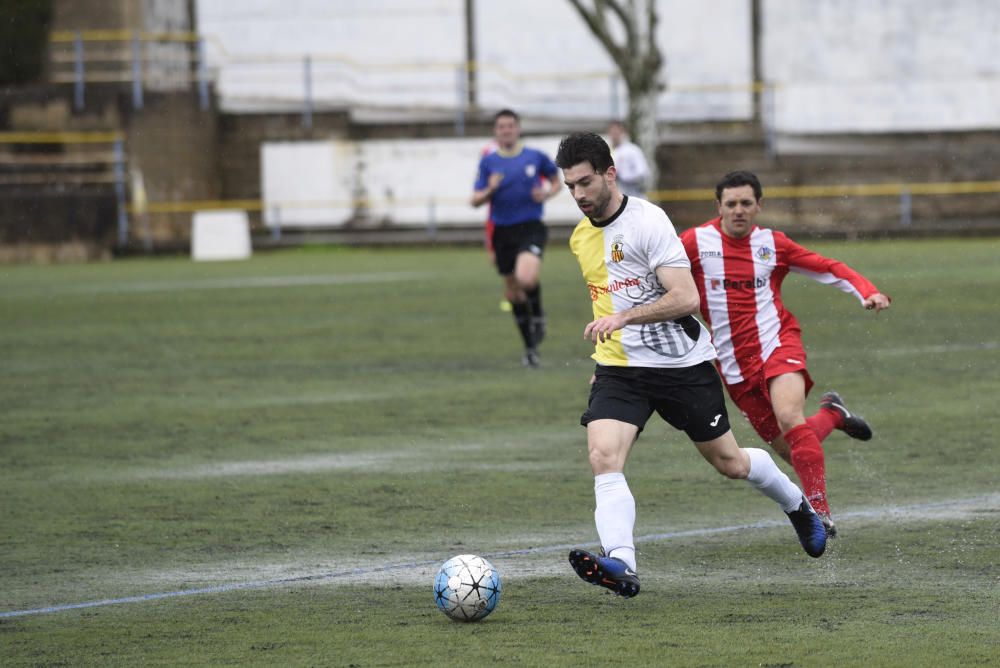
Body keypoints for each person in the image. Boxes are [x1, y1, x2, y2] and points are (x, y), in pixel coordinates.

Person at [556, 133, 827, 599]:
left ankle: (798, 506)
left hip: (682, 366)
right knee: (603, 456)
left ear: (609, 174)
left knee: (731, 462)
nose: (579, 195)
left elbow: (686, 297)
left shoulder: (648, 223)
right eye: (570, 187)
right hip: (622, 369)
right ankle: (621, 561)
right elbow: (607, 298)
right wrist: (605, 356)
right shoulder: (581, 236)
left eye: (585, 182)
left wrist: (625, 317)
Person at [680, 170, 892, 537]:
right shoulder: (695, 243)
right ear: (718, 207)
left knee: (789, 415)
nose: (739, 211)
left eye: (747, 203)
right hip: (732, 364)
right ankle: (832, 415)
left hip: (779, 343)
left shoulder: (773, 244)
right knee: (792, 449)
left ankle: (820, 514)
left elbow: (828, 267)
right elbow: (658, 274)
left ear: (759, 205)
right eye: (731, 204)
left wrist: (867, 291)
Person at [471, 109, 562, 367]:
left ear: (518, 128)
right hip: (503, 232)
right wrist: (490, 188)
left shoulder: (534, 157)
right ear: (495, 132)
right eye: (501, 127)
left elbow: (556, 180)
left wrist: (546, 194)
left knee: (526, 277)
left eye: (510, 125)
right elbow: (475, 200)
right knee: (513, 292)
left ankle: (539, 315)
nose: (506, 130)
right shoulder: (489, 163)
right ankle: (531, 347)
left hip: (531, 226)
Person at [607, 121, 651, 198]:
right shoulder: (609, 152)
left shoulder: (632, 150)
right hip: (617, 199)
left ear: (622, 132)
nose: (614, 136)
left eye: (616, 132)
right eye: (612, 133)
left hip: (635, 197)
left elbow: (643, 172)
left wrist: (625, 177)